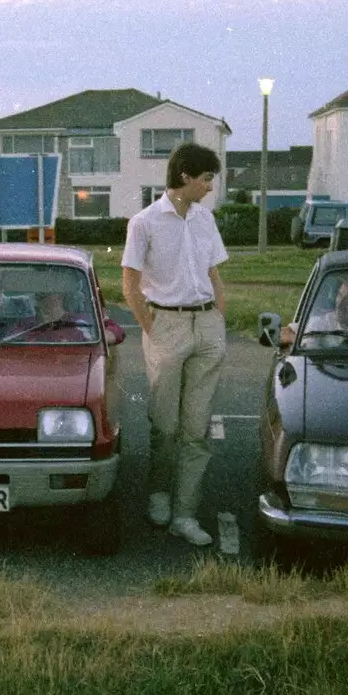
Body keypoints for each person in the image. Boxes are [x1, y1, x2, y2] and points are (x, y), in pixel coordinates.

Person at [120, 142, 228, 547]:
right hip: (166, 324)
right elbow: (129, 285)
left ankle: (185, 514)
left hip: (207, 327)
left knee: (196, 431)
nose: (209, 188)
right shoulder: (144, 223)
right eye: (205, 179)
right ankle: (160, 494)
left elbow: (214, 270)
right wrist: (151, 328)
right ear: (185, 176)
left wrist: (218, 313)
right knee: (165, 426)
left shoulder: (204, 219)